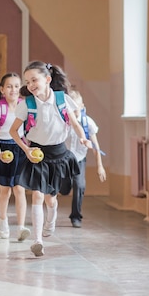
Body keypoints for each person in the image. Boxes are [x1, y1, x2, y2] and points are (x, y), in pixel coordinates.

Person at [9, 61, 91, 257]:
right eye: (27, 82)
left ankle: (51, 220)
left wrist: (82, 137)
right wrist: (26, 150)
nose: (30, 85)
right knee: (37, 194)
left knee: (51, 200)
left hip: (59, 154)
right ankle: (37, 240)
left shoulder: (62, 100)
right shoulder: (27, 104)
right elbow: (14, 131)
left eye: (34, 80)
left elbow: (74, 122)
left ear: (47, 79)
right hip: (37, 154)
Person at [0, 72, 31, 242]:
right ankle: (3, 220)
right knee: (5, 191)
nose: (13, 89)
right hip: (3, 149)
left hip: (20, 149)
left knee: (20, 189)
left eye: (17, 86)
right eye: (9, 86)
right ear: (2, 89)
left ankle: (22, 227)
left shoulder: (24, 105)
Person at [62, 89, 106, 228]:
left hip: (79, 159)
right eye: (71, 107)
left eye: (76, 107)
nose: (74, 110)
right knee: (64, 189)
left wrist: (100, 166)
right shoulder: (64, 121)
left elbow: (96, 146)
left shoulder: (88, 123)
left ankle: (76, 216)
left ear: (82, 106)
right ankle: (63, 186)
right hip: (64, 159)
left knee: (80, 185)